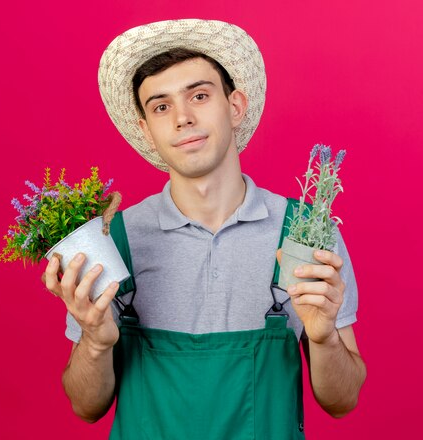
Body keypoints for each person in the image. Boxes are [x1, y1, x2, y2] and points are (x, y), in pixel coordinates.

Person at [43, 19, 367, 439]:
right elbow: (86, 407)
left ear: (235, 106)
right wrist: (95, 340)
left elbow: (342, 401)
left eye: (199, 95)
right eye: (161, 106)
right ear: (147, 129)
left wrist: (323, 339)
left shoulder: (305, 232)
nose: (182, 118)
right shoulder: (113, 239)